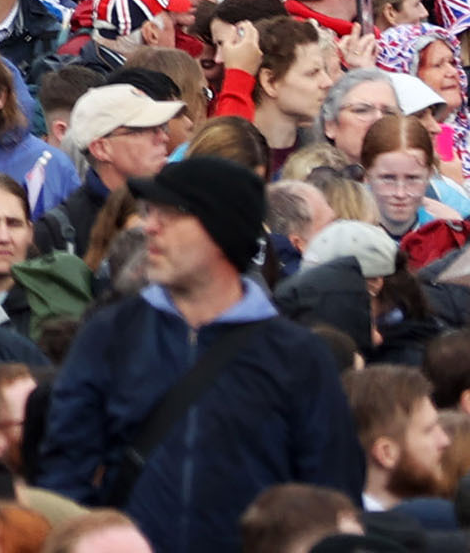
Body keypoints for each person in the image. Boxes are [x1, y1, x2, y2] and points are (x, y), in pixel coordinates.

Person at [41, 161, 361, 553]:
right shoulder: (109, 334)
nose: (150, 227)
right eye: (149, 213)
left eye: (170, 215)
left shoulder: (297, 356)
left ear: (220, 229)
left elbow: (330, 493)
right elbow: (64, 469)